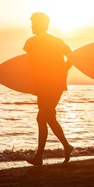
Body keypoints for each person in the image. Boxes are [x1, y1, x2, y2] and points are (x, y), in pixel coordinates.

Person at [24, 12, 74, 165]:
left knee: (42, 117)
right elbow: (28, 65)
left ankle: (39, 156)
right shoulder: (31, 42)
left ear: (42, 24)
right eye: (31, 22)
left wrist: (63, 70)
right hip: (43, 85)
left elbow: (73, 56)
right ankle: (66, 146)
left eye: (34, 23)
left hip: (53, 84)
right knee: (48, 117)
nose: (32, 25)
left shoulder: (52, 41)